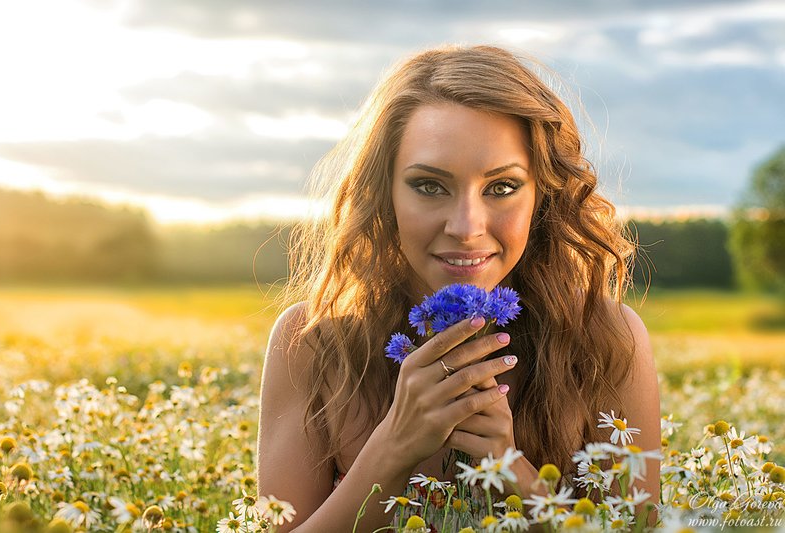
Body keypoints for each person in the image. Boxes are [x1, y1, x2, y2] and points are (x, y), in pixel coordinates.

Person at [256, 44, 661, 532]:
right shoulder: (311, 343)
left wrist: (510, 470)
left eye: (502, 187)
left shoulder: (605, 340)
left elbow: (636, 525)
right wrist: (393, 448)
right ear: (383, 191)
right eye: (429, 185)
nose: (467, 226)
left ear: (544, 196)